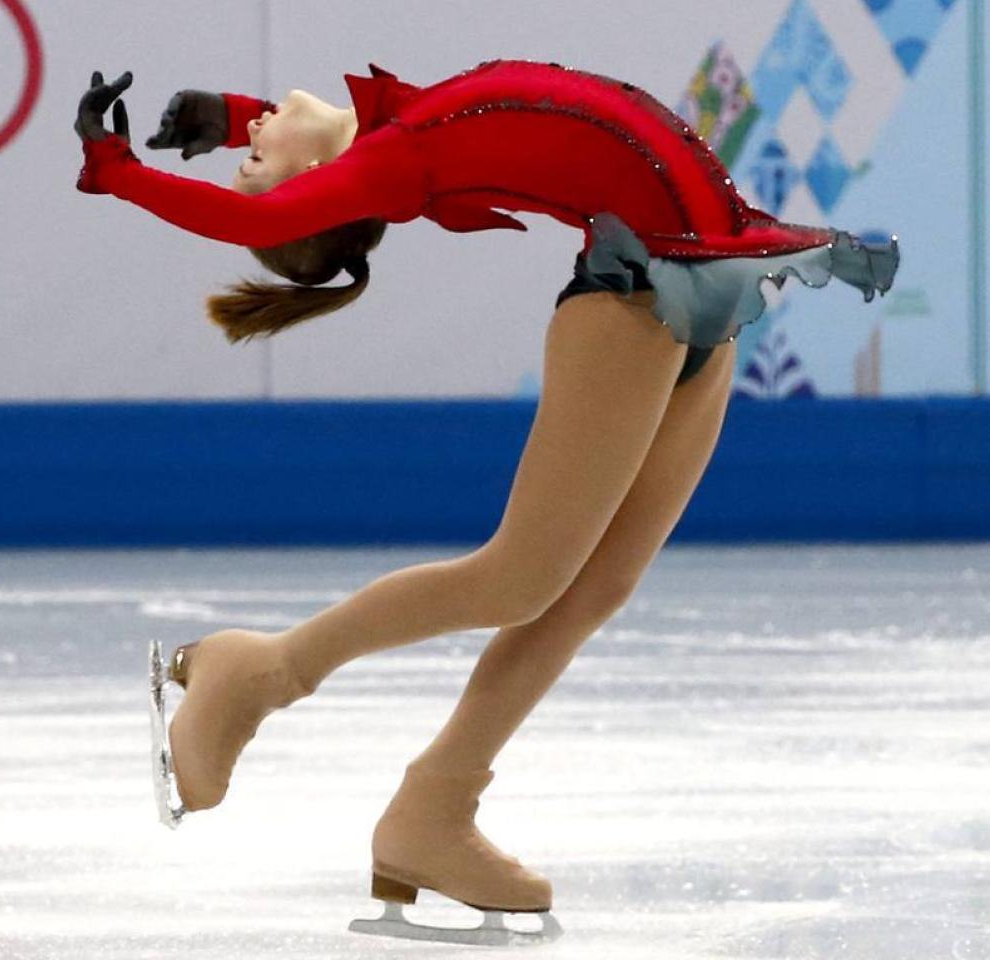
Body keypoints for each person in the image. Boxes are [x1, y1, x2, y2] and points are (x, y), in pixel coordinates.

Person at [78, 60, 899, 945]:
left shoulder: (397, 127)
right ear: (316, 183)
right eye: (253, 152)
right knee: (518, 579)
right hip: (635, 296)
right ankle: (260, 675)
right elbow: (263, 213)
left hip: (702, 286)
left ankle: (435, 806)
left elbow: (313, 142)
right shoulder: (393, 159)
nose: (251, 135)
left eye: (248, 145)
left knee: (594, 588)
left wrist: (234, 114)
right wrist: (114, 168)